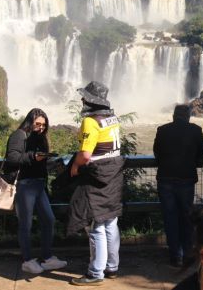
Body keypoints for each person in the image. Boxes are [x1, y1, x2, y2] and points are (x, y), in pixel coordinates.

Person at [69, 81, 125, 286]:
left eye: (85, 97)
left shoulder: (91, 122)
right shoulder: (112, 118)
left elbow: (85, 155)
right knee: (110, 221)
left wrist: (75, 166)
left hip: (97, 175)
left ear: (91, 101)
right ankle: (112, 266)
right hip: (114, 174)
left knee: (96, 224)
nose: (82, 100)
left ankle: (95, 273)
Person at [4, 108, 67, 274]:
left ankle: (46, 258)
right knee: (26, 224)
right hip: (25, 185)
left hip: (38, 185)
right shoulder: (19, 135)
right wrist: (33, 156)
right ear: (29, 121)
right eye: (37, 123)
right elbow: (12, 157)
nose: (40, 127)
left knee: (49, 219)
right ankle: (27, 260)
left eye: (43, 125)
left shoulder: (40, 138)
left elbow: (39, 163)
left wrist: (52, 162)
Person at [153, 104, 203, 267]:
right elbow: (202, 153)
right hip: (186, 178)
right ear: (189, 116)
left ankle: (175, 255)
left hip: (165, 178)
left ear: (174, 115)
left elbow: (157, 152)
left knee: (170, 217)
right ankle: (188, 252)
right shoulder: (195, 130)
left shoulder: (162, 130)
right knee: (186, 217)